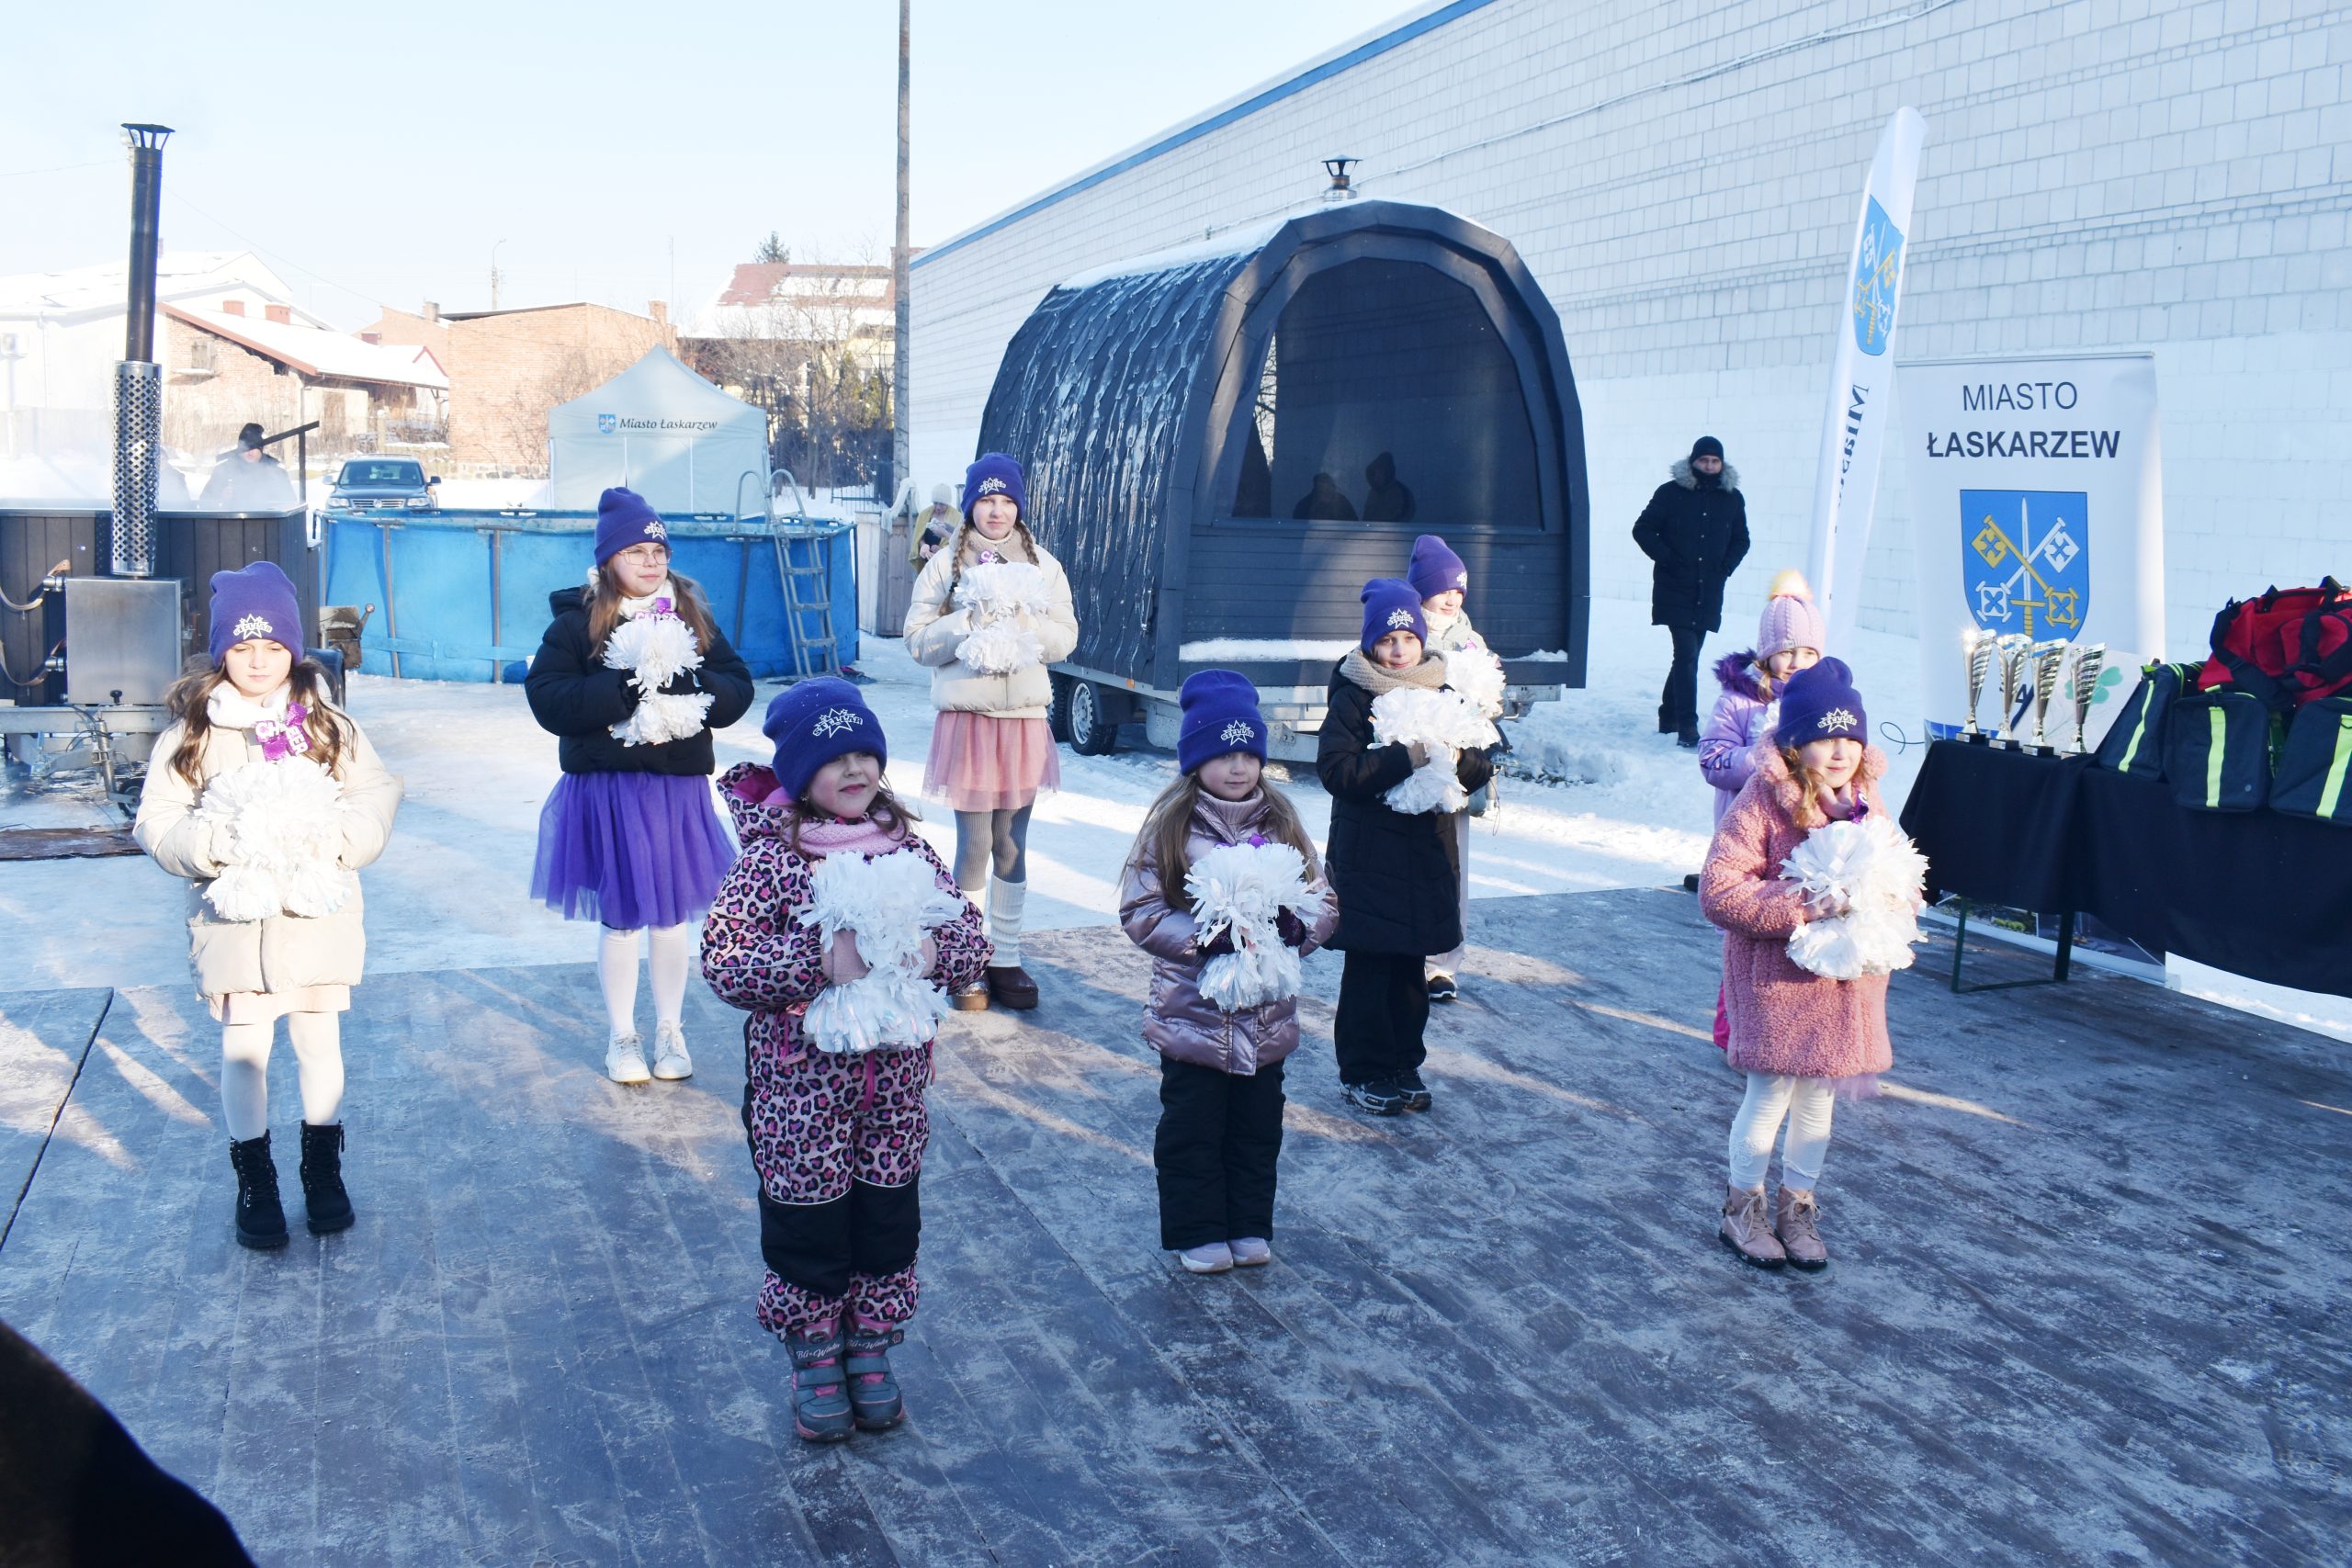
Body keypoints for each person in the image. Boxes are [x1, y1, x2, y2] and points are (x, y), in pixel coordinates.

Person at [702, 680, 988, 1443]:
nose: (855, 768)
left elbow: (969, 933)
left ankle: (870, 1343)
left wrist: (935, 951)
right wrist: (819, 960)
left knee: (887, 1218)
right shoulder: (774, 861)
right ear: (801, 774)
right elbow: (725, 959)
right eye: (834, 758)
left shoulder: (908, 847)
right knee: (810, 1222)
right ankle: (815, 1352)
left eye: (865, 752)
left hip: (896, 1087)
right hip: (798, 1091)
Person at [133, 561, 404, 1249]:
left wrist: (337, 838)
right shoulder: (194, 733)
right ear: (220, 651)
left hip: (316, 916)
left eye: (274, 646)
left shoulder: (327, 724)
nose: (259, 661)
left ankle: (323, 1169)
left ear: (295, 648)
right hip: (235, 923)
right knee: (244, 1049)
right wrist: (217, 842)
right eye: (244, 646)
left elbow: (375, 793)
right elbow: (157, 820)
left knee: (319, 1041)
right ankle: (255, 1177)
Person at [525, 486, 754, 1085]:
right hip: (611, 791)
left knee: (671, 917)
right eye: (635, 551)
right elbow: (547, 697)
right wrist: (620, 690)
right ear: (609, 560)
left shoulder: (690, 614)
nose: (651, 562)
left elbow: (737, 684)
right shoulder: (578, 622)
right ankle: (621, 1033)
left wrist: (696, 686)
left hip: (676, 791)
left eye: (659, 550)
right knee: (623, 916)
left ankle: (670, 1029)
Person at [1119, 672, 1338, 1275]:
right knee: (1192, 1129)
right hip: (1192, 1019)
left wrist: (1296, 929)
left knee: (1257, 1130)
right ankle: (1197, 1230)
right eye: (1222, 753)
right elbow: (1140, 910)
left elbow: (1323, 899)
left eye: (1248, 753)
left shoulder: (1283, 822)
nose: (1238, 767)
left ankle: (1248, 1223)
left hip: (1267, 1021)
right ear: (1196, 758)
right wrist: (1204, 940)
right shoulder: (1172, 826)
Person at [1699, 659, 1892, 1271]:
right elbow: (1719, 890)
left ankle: (1798, 1207)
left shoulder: (1866, 801)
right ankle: (1742, 1206)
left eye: (1850, 738)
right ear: (1793, 742)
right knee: (1770, 1094)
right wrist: (1801, 904)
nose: (1839, 752)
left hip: (1843, 985)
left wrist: (1887, 900)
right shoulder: (1762, 799)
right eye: (1824, 738)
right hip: (1777, 984)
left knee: (1818, 1101)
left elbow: (1896, 869)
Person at [901, 452, 1080, 1011]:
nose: (996, 511)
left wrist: (1022, 618)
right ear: (970, 504)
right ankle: (969, 961)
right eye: (986, 500)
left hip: (1023, 722)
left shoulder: (1043, 565)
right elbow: (917, 640)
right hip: (970, 722)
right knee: (976, 844)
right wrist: (969, 620)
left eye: (1006, 501)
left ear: (1018, 506)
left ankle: (1006, 956)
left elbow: (1066, 638)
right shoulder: (945, 565)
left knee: (1011, 843)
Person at [1317, 579, 1493, 1115]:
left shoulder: (1443, 691)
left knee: (1411, 975)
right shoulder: (1354, 696)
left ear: (1423, 641)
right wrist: (1405, 756)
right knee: (1371, 973)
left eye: (1408, 639)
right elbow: (1337, 772)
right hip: (1370, 859)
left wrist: (1456, 758)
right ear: (1370, 644)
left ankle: (1403, 1062)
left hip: (1426, 859)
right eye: (1387, 640)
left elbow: (1481, 764)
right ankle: (1363, 1069)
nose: (1398, 651)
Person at [1697, 570, 1827, 1053]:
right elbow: (1712, 759)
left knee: (1797, 931)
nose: (1797, 662)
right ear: (1766, 652)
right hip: (1750, 836)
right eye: (1787, 651)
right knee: (1746, 932)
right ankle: (1731, 1031)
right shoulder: (1739, 701)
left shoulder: (1821, 702)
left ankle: (1789, 1035)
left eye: (1808, 653)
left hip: (1803, 836)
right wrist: (1760, 760)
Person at [1407, 533, 1495, 1003]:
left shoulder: (1471, 641)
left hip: (1458, 769)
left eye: (1458, 590)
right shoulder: (1405, 634)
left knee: (1451, 865)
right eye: (1442, 588)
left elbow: (1490, 701)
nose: (1451, 598)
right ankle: (1407, 955)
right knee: (1410, 863)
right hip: (1415, 766)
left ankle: (1442, 965)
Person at [1633, 435, 1749, 747]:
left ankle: (1668, 715)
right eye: (1703, 460)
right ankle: (1687, 726)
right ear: (1693, 461)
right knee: (1686, 655)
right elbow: (1643, 529)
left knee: (1689, 656)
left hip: (1709, 589)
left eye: (1714, 461)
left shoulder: (1732, 498)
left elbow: (1742, 539)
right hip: (1675, 586)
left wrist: (1725, 567)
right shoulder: (1670, 493)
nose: (1709, 466)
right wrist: (1668, 559)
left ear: (1721, 464)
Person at [202, 422, 295, 512]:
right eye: (246, 448)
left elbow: (290, 504)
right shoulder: (224, 471)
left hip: (267, 521)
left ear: (261, 449)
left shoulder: (276, 473)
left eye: (254, 448)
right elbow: (204, 502)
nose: (250, 453)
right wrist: (221, 497)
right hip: (231, 521)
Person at [910, 481, 958, 566]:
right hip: (926, 559)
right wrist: (923, 545)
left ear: (947, 503)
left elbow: (959, 541)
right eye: (935, 503)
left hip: (946, 563)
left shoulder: (957, 517)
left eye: (942, 504)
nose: (938, 507)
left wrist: (942, 549)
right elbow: (919, 535)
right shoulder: (924, 515)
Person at [1363, 451, 1416, 523]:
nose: (1377, 475)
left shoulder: (1402, 493)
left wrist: (1386, 527)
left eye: (1381, 472)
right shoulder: (1372, 493)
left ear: (1388, 472)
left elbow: (1404, 518)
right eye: (1375, 472)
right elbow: (1366, 520)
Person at [1292, 472, 1358, 522]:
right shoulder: (1304, 505)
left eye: (1330, 486)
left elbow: (1354, 525)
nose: (1326, 489)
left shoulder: (1342, 502)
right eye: (1322, 487)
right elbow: (1297, 527)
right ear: (1316, 488)